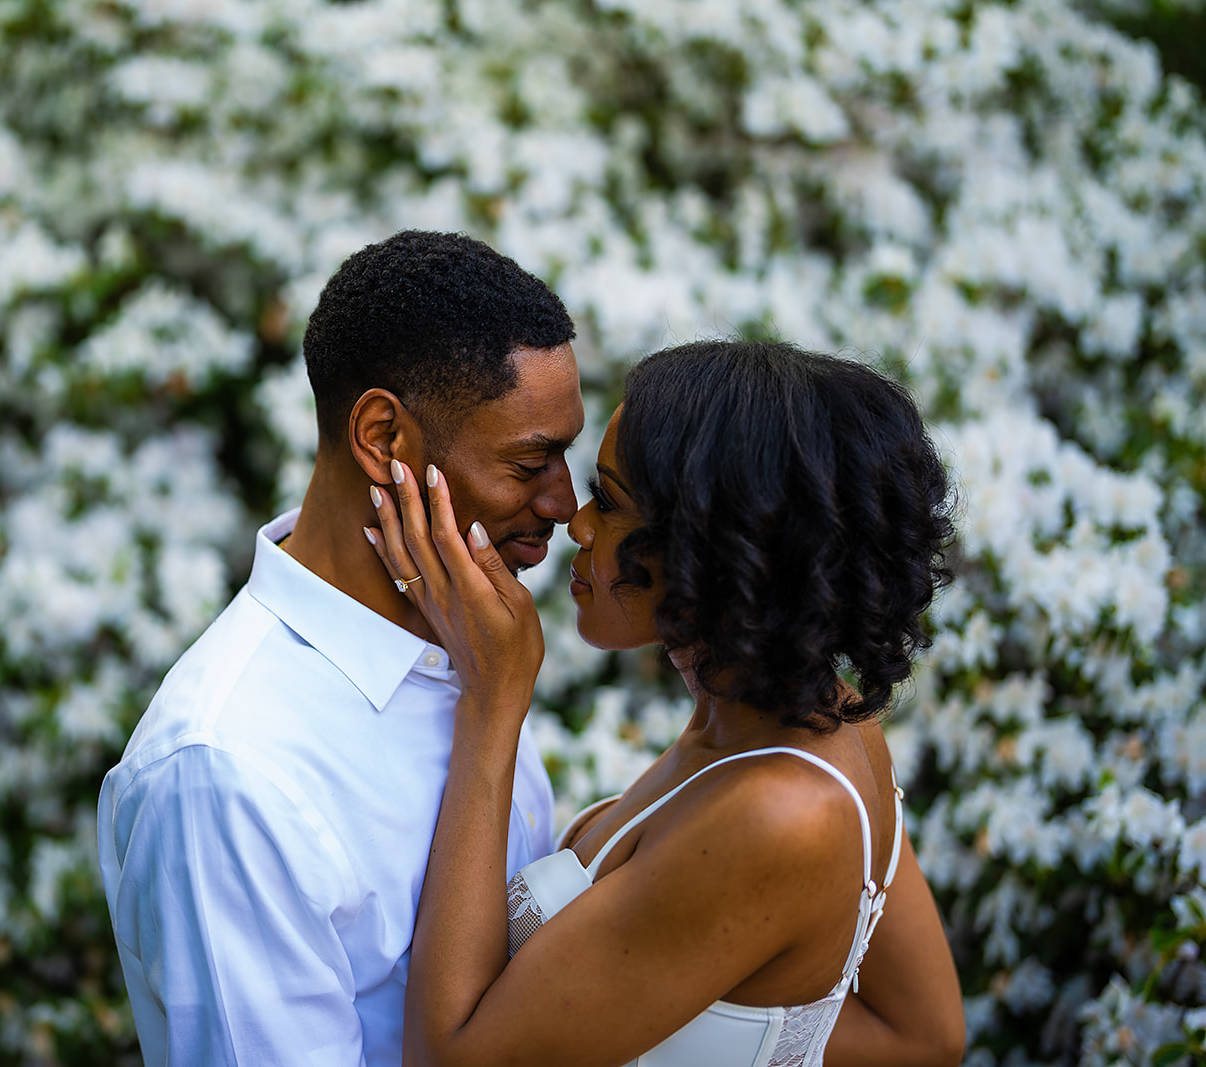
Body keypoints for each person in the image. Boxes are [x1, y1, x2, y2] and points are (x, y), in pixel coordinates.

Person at [365, 339, 968, 1066]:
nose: (576, 523)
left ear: (718, 546)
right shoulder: (819, 714)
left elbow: (449, 1058)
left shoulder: (781, 813)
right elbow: (922, 1033)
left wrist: (491, 703)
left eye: (610, 501)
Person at [96, 230, 587, 1065]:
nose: (565, 503)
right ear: (385, 439)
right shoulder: (229, 769)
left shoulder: (477, 651)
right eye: (531, 462)